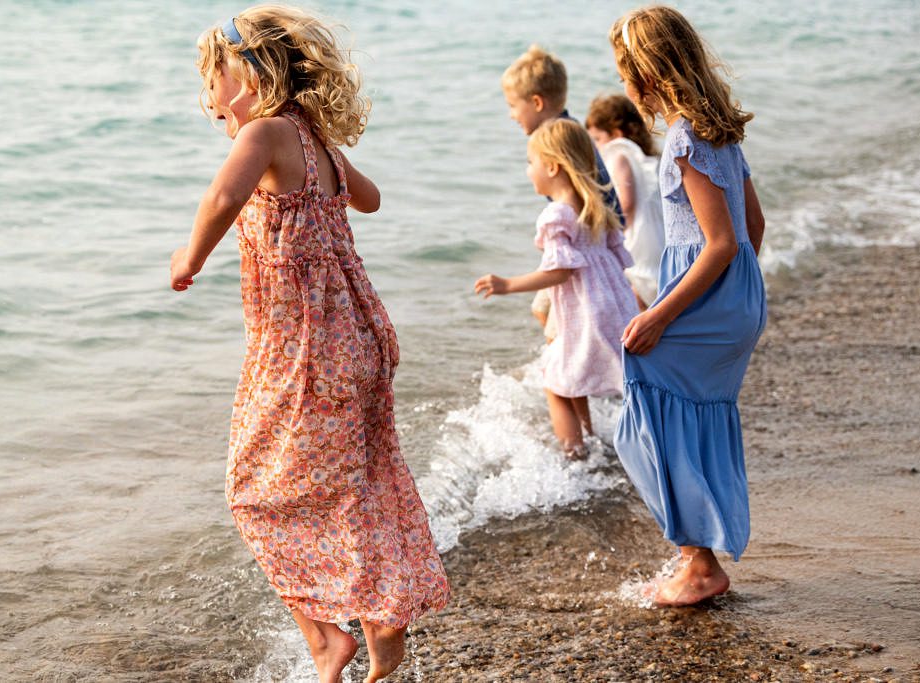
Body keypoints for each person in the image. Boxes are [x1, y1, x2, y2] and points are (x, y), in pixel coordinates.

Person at [169, 7, 449, 681]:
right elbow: (370, 199)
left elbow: (220, 198)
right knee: (356, 485)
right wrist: (329, 180)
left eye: (216, 79)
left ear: (252, 75)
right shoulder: (311, 137)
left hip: (302, 351)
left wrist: (190, 257)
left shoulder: (264, 135)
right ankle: (382, 620)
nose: (210, 98)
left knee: (252, 490)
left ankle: (328, 638)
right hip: (361, 336)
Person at [609, 5, 767, 607]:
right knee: (687, 415)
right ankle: (695, 555)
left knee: (642, 412)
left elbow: (721, 241)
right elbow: (753, 226)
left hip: (707, 287)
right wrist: (737, 298)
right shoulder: (718, 130)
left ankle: (698, 563)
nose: (623, 86)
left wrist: (660, 313)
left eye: (624, 72)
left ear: (645, 75)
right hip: (732, 293)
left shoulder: (681, 138)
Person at [474, 119, 637, 458]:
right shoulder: (593, 206)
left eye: (531, 162)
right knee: (570, 374)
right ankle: (591, 438)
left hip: (585, 313)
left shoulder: (556, 214)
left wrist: (507, 285)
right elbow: (614, 260)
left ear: (552, 166)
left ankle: (573, 455)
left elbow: (559, 271)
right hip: (608, 305)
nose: (528, 170)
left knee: (555, 382)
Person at [501, 45, 623, 342]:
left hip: (585, 251)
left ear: (537, 102)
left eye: (514, 106)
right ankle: (568, 364)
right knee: (543, 310)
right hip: (593, 244)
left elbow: (584, 199)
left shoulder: (558, 139)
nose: (511, 115)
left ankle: (565, 370)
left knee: (550, 316)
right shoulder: (568, 130)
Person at [586, 94, 665, 308]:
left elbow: (626, 204)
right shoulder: (648, 159)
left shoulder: (619, 155)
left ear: (617, 134)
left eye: (597, 139)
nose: (596, 147)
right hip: (658, 239)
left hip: (637, 239)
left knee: (636, 289)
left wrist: (608, 230)